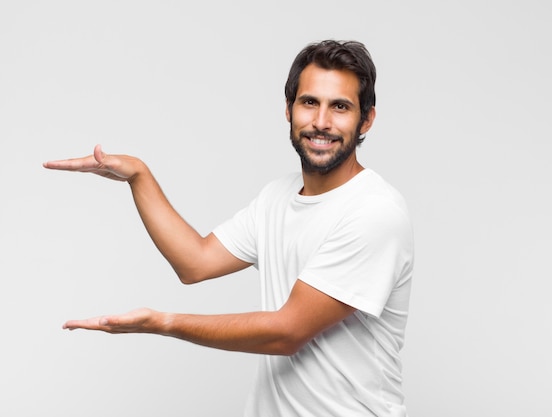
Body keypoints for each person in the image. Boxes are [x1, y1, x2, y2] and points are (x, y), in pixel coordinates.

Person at [44, 39, 414, 416]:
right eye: (309, 102)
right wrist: (139, 176)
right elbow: (196, 262)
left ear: (366, 119)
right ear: (288, 110)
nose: (321, 122)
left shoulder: (373, 212)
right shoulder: (278, 196)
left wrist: (165, 323)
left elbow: (287, 332)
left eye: (340, 107)